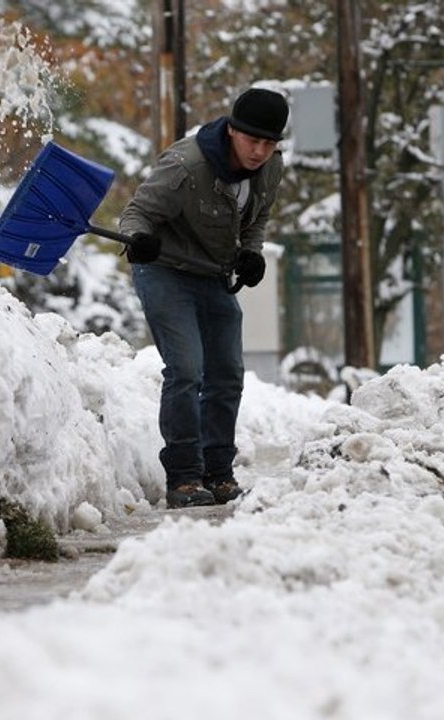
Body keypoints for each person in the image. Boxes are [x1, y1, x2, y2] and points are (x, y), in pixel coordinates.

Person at [119, 87, 289, 509]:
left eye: (269, 144)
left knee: (227, 373)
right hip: (165, 271)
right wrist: (137, 240)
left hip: (213, 274)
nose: (259, 152)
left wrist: (251, 252)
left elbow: (258, 215)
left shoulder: (270, 169)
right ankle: (183, 477)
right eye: (252, 141)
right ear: (232, 131)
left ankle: (218, 472)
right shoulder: (186, 166)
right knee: (186, 369)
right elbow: (136, 213)